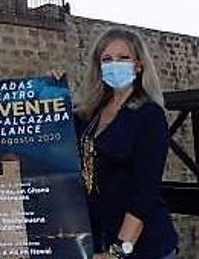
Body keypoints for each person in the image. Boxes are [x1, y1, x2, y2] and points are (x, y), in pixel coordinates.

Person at [59, 28, 178, 259]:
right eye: (107, 59)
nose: (115, 64)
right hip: (98, 241)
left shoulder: (148, 115)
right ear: (99, 67)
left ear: (138, 65)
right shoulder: (89, 114)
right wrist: (51, 88)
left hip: (142, 247)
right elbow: (52, 132)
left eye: (124, 58)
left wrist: (119, 251)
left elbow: (145, 192)